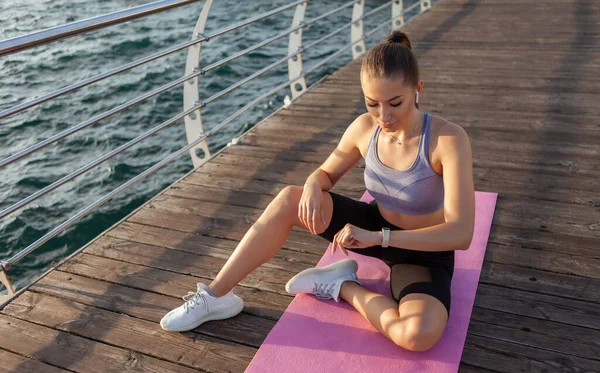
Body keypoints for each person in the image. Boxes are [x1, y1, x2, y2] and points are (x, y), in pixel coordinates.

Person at [160, 30, 475, 353]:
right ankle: (216, 297)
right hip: (370, 228)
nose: (384, 116)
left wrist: (380, 238)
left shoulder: (447, 139)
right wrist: (312, 184)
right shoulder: (364, 128)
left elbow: (461, 233)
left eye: (396, 103)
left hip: (425, 249)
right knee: (288, 199)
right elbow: (325, 173)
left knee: (417, 335)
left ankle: (343, 285)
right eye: (372, 104)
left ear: (418, 91)